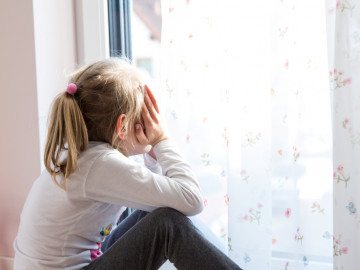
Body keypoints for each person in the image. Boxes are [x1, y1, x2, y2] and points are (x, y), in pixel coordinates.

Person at [13, 58, 242, 270]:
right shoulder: (100, 164)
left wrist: (152, 157)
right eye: (145, 117)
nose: (152, 125)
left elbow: (153, 197)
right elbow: (191, 200)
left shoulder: (83, 154)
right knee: (168, 224)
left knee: (159, 211)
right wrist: (162, 140)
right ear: (123, 125)